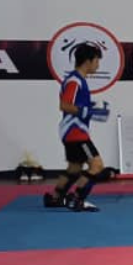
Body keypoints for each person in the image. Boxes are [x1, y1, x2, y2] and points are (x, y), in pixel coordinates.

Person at [43, 44, 113, 212]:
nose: (98, 65)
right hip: (76, 133)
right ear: (88, 61)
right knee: (97, 166)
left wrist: (93, 108)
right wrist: (86, 110)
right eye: (97, 61)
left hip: (71, 132)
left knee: (74, 168)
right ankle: (77, 199)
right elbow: (64, 105)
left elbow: (74, 105)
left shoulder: (78, 80)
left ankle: (55, 198)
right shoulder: (75, 81)